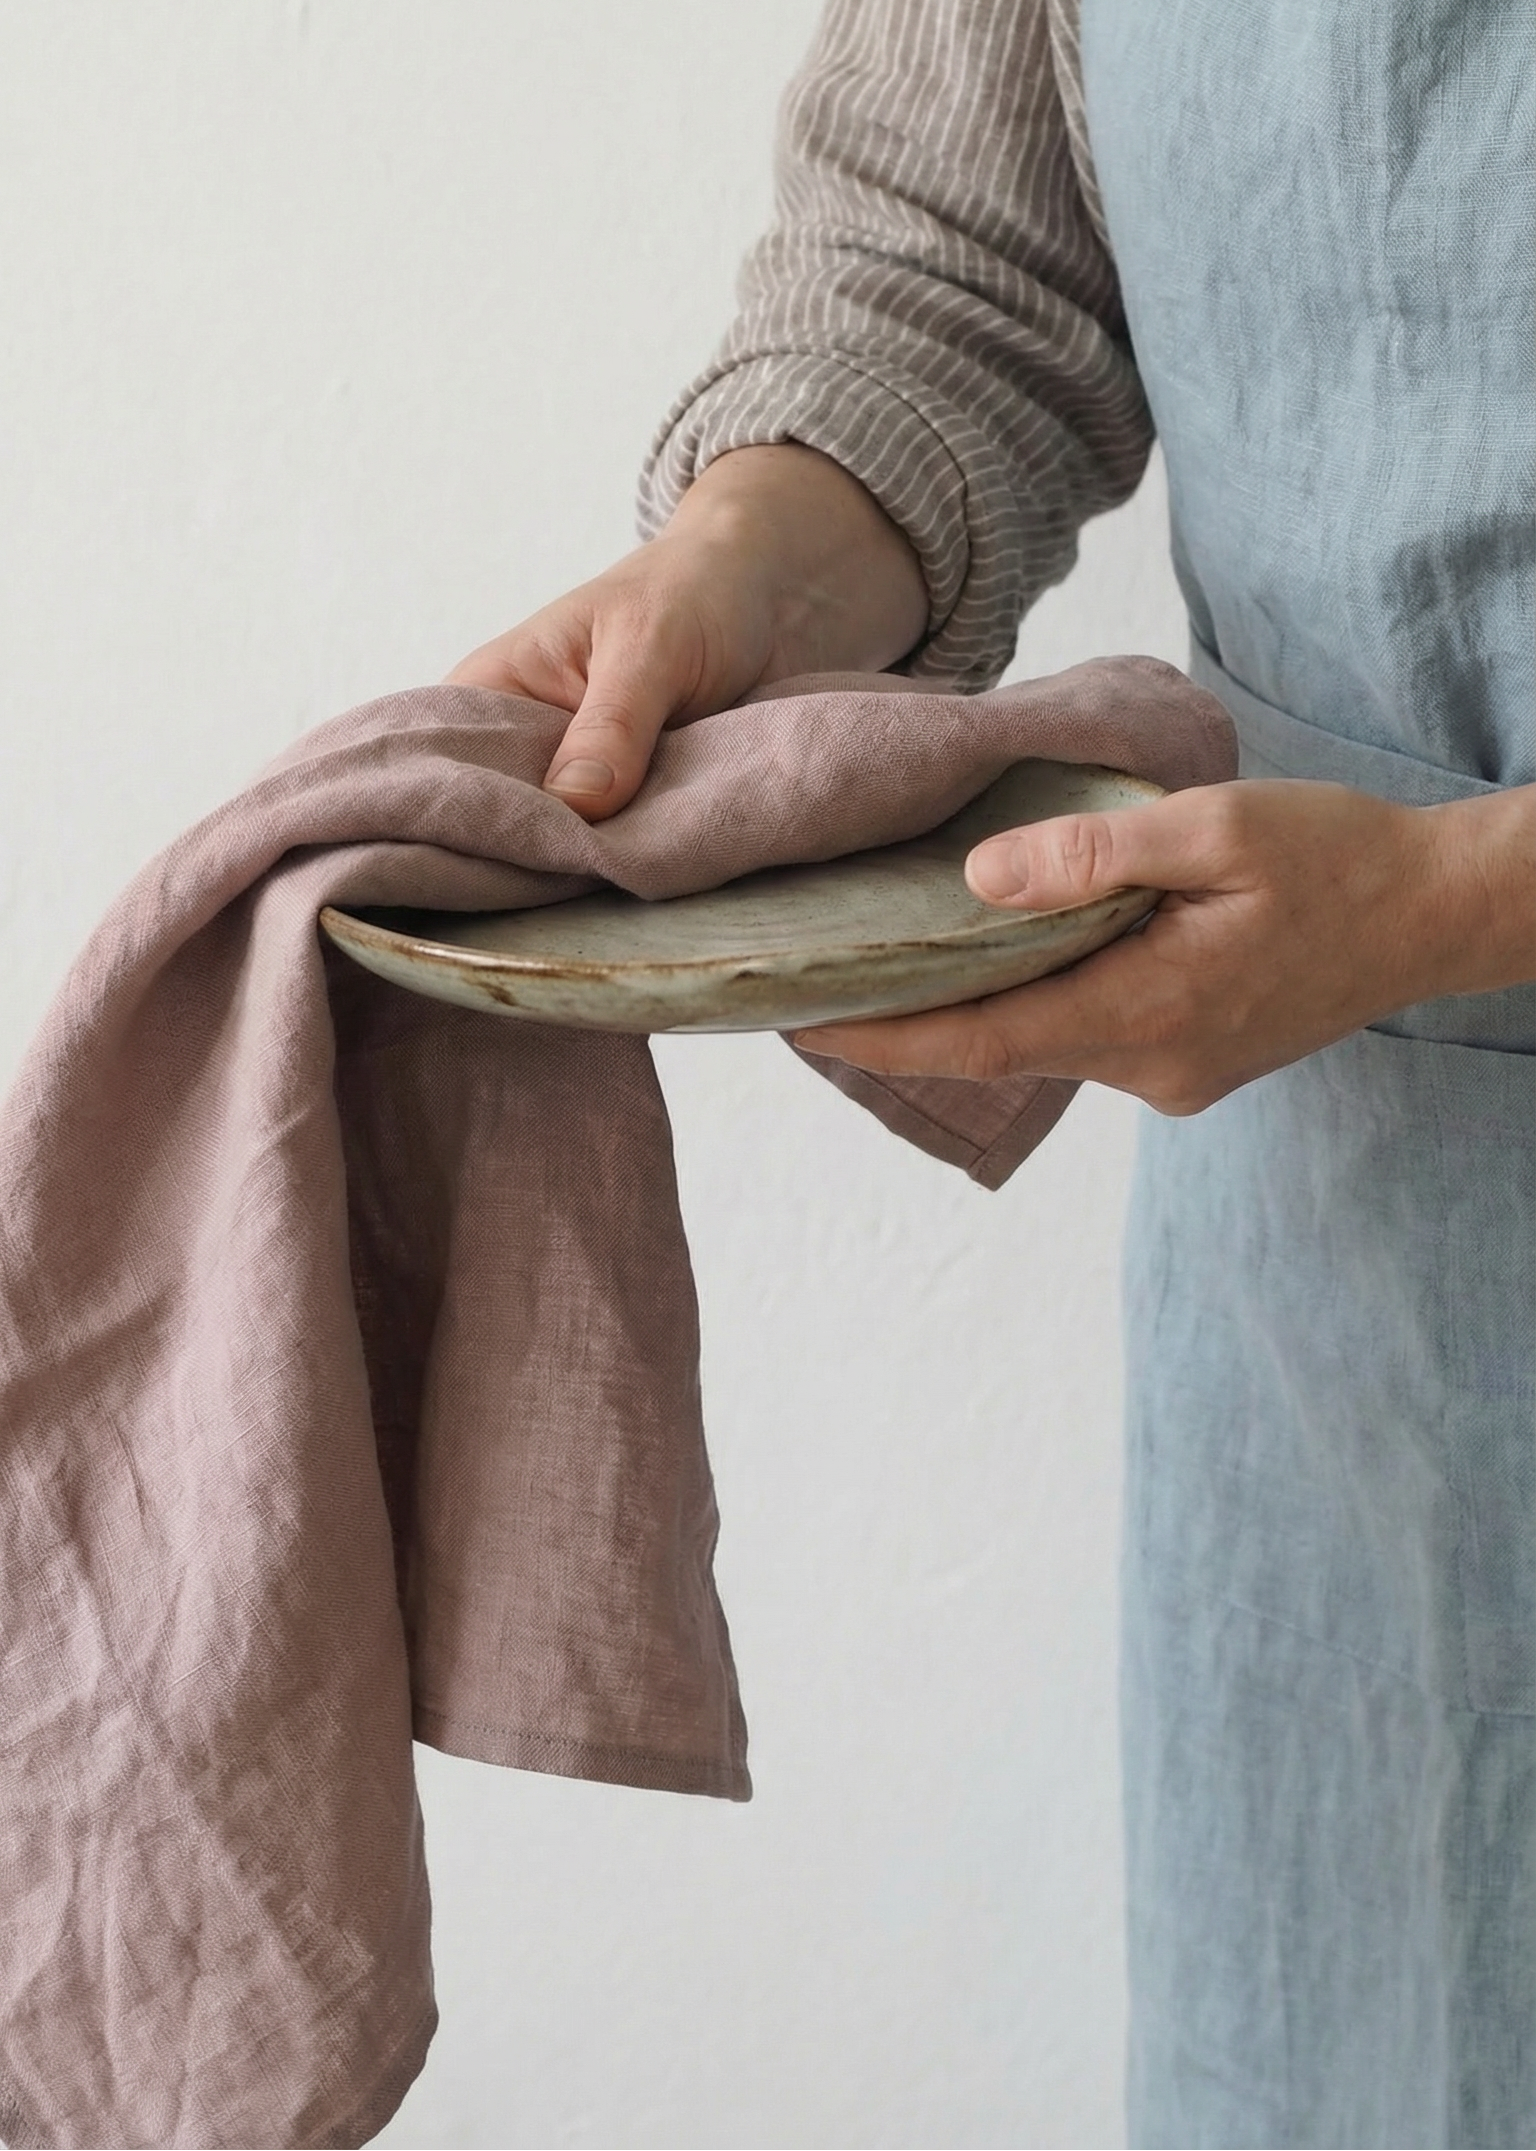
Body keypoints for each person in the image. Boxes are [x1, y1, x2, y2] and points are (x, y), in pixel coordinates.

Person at [451, 2, 1535, 2143]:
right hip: (1355, 1326)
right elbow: (962, 260)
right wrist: (761, 551)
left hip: (1346, 1002)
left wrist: (1463, 899)